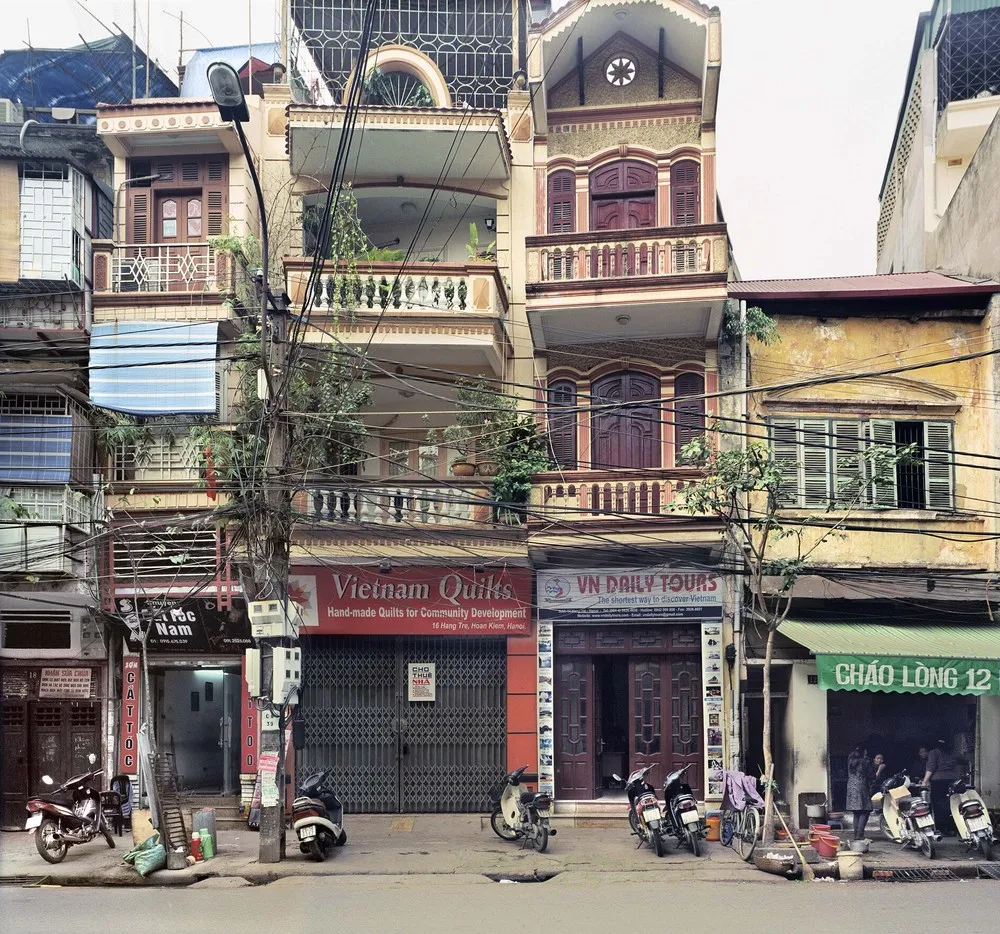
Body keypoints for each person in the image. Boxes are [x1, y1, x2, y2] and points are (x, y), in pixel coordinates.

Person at [923, 738, 961, 833]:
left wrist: (925, 781)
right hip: (953, 780)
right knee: (954, 803)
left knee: (938, 805)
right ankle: (953, 827)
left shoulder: (934, 752)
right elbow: (964, 761)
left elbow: (931, 767)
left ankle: (941, 828)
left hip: (938, 781)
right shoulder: (954, 752)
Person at [846, 744, 875, 841]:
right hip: (861, 787)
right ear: (863, 753)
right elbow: (871, 775)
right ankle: (860, 834)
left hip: (851, 787)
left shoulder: (850, 760)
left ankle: (856, 835)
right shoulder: (863, 762)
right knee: (865, 810)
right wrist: (878, 769)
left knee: (856, 812)